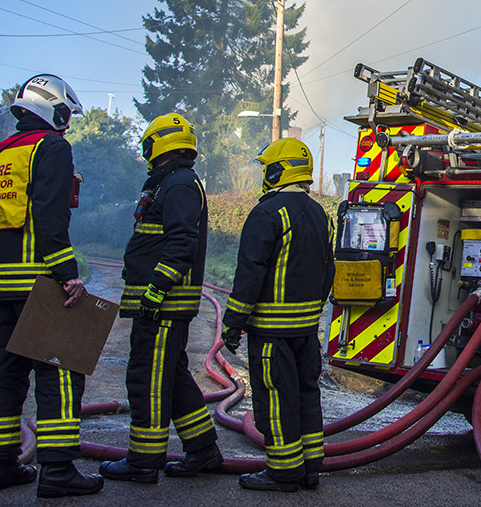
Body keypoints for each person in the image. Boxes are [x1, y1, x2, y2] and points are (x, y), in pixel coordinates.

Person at [0, 74, 103, 498]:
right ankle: (58, 471)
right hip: (38, 283)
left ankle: (1, 466)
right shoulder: (52, 148)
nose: (67, 123)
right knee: (61, 372)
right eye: (65, 114)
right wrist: (67, 274)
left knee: (2, 377)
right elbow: (48, 215)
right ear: (52, 109)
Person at [100, 113, 222, 484]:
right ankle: (203, 450)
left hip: (162, 305)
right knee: (172, 376)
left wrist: (156, 289)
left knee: (147, 379)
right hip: (161, 303)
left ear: (159, 145)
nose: (146, 153)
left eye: (147, 146)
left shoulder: (180, 185)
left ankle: (143, 461)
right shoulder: (173, 183)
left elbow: (182, 242)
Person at [221, 138, 335, 492]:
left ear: (276, 171)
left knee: (276, 397)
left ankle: (283, 472)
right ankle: (310, 467)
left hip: (272, 331)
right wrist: (314, 310)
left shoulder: (267, 213)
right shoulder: (320, 214)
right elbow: (328, 271)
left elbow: (250, 273)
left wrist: (233, 323)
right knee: (305, 394)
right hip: (306, 329)